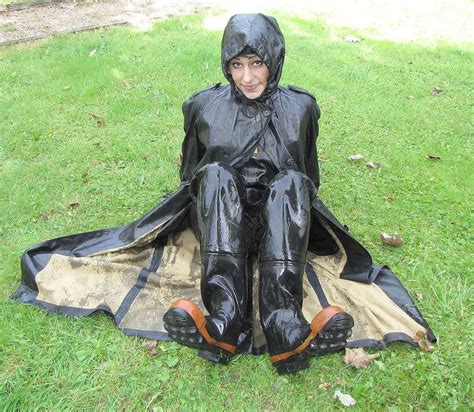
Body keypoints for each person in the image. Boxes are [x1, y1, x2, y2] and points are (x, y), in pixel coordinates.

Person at [12, 13, 435, 375]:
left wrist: (282, 202)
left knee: (291, 183)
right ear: (225, 65)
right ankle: (224, 320)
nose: (247, 76)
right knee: (213, 174)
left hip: (279, 226)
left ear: (275, 60)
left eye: (257, 63)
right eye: (236, 65)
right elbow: (189, 178)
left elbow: (310, 178)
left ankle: (284, 323)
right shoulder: (204, 107)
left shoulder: (302, 108)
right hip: (217, 223)